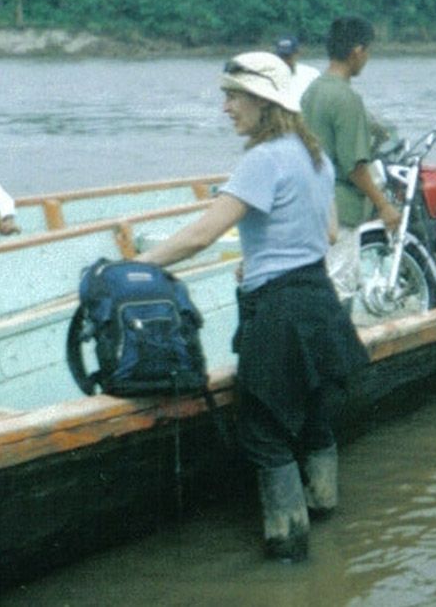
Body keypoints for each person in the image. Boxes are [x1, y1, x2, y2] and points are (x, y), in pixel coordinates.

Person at [137, 52, 367, 563]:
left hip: (279, 309)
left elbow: (201, 234)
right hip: (318, 300)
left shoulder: (262, 160)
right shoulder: (316, 157)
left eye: (233, 96)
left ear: (265, 104)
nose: (226, 107)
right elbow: (328, 234)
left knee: (263, 431)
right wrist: (263, 253)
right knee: (311, 416)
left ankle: (289, 554)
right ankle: (325, 514)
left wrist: (135, 264)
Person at [301, 16, 400, 306]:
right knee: (340, 290)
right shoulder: (346, 98)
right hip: (341, 211)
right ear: (357, 51)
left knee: (321, 284)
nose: (366, 59)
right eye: (367, 52)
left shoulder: (313, 91)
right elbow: (355, 166)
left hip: (313, 203)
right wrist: (383, 204)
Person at [273, 34, 320, 109]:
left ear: (297, 54)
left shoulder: (312, 74)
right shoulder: (269, 77)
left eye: (288, 56)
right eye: (281, 56)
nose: (284, 61)